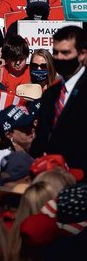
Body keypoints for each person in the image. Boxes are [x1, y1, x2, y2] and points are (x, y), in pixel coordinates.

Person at [30, 26, 87, 169]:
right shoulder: (51, 93)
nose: (59, 58)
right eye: (55, 53)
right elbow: (42, 136)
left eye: (65, 53)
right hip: (51, 174)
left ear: (82, 54)